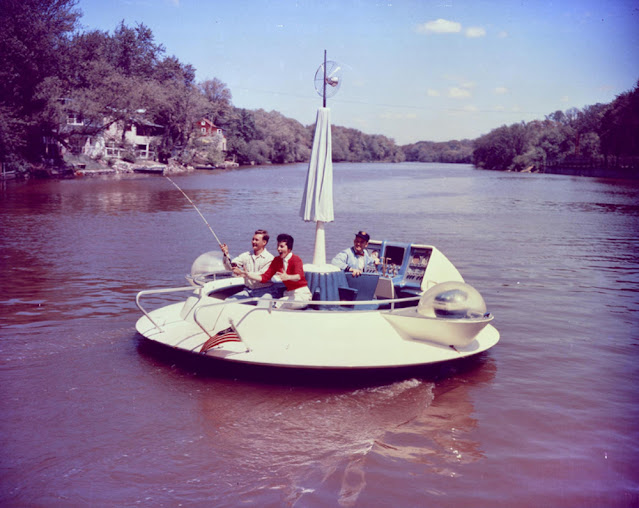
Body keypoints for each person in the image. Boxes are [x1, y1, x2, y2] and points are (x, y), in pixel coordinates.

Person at [241, 233, 312, 309]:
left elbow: (298, 276)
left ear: (289, 248)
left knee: (279, 303)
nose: (278, 249)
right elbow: (265, 278)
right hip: (288, 294)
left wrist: (288, 277)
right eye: (278, 246)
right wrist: (248, 275)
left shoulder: (296, 259)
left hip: (301, 295)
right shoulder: (277, 260)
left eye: (281, 246)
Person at [219, 229, 275, 299]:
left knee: (262, 304)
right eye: (253, 239)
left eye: (256, 240)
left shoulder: (270, 259)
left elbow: (262, 277)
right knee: (228, 301)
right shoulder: (246, 255)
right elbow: (229, 268)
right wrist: (226, 254)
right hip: (248, 291)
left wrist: (243, 273)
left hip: (265, 292)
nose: (253, 242)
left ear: (264, 242)